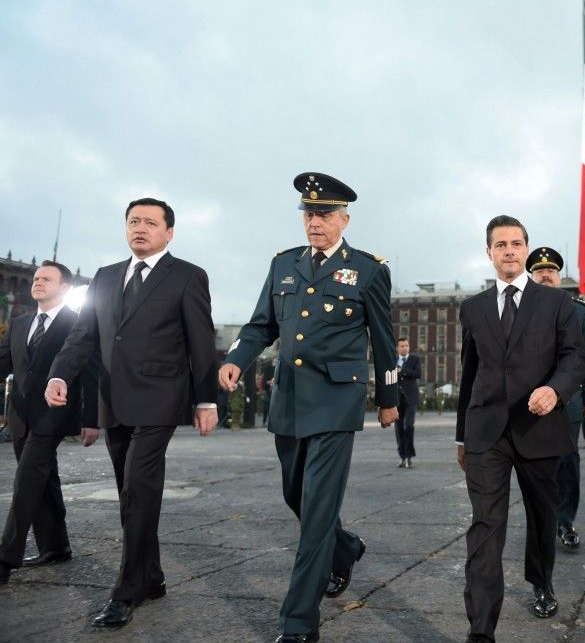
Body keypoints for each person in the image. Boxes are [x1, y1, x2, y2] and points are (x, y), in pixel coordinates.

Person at [219, 172, 399, 643]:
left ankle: (298, 622)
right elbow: (262, 325)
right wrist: (237, 358)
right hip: (290, 399)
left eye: (324, 214)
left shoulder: (368, 269)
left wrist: (388, 399)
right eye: (309, 214)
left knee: (317, 511)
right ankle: (345, 549)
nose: (315, 222)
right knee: (294, 494)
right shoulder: (283, 265)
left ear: (344, 219)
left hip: (337, 403)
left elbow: (383, 343)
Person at [45, 198, 219, 628]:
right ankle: (153, 575)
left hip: (162, 396)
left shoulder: (188, 276)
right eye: (133, 221)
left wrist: (206, 399)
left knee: (138, 487)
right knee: (129, 492)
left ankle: (128, 590)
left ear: (169, 232)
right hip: (113, 399)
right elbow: (83, 336)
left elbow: (201, 341)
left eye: (150, 222)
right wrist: (58, 375)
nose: (140, 228)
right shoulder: (105, 277)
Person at [456, 216, 585, 642]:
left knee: (542, 516)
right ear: (489, 252)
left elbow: (574, 360)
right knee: (486, 527)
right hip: (486, 433)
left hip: (539, 427)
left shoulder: (557, 304)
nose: (509, 251)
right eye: (500, 244)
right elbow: (469, 372)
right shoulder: (472, 308)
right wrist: (462, 434)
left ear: (526, 250)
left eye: (516, 243)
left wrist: (556, 390)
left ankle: (542, 581)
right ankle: (481, 629)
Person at [0, 261, 98, 585]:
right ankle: (56, 546)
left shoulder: (77, 324)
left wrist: (91, 419)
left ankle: (5, 558)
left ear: (65, 288)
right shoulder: (19, 323)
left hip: (53, 414)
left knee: (26, 480)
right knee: (43, 479)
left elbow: (91, 372)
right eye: (36, 278)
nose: (38, 282)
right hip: (19, 415)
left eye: (47, 278)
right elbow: (3, 365)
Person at [524, 246, 585, 549]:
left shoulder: (578, 310)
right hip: (529, 403)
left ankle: (565, 521)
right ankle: (541, 521)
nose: (545, 274)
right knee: (535, 465)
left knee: (568, 463)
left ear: (558, 277)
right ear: (532, 275)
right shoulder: (520, 308)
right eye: (540, 271)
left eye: (551, 271)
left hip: (569, 401)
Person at [395, 337, 422, 468]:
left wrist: (402, 371)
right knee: (399, 428)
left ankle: (409, 456)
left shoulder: (414, 359)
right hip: (397, 399)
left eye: (406, 345)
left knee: (408, 426)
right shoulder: (393, 360)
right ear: (397, 348)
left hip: (411, 398)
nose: (404, 348)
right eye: (402, 346)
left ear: (409, 347)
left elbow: (418, 374)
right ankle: (402, 456)